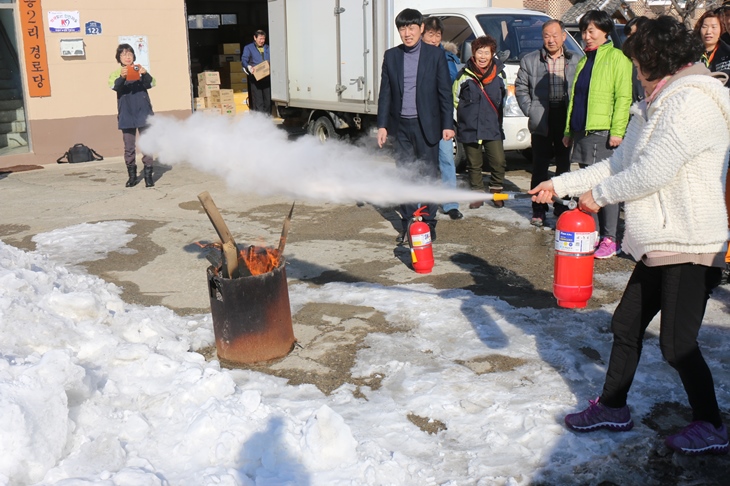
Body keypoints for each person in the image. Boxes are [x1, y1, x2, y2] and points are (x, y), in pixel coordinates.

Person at [531, 16, 730, 456]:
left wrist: (597, 198)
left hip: (690, 242)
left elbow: (653, 171)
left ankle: (712, 425)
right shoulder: (655, 103)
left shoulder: (693, 101)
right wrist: (560, 185)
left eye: (639, 63)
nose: (636, 71)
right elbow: (619, 166)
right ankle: (613, 407)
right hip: (660, 241)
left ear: (658, 61)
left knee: (677, 346)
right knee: (626, 325)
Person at [376, 8, 455, 243]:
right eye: (402, 28)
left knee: (429, 175)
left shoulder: (435, 55)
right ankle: (409, 223)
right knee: (405, 175)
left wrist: (447, 124)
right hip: (401, 126)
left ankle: (428, 223)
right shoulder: (392, 56)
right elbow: (385, 93)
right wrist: (382, 125)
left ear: (421, 28)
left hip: (427, 125)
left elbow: (444, 93)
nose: (407, 33)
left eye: (411, 27)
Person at [563, 10, 632, 259]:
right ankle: (593, 232)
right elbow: (575, 99)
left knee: (606, 186)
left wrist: (617, 131)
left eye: (591, 31)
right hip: (582, 131)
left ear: (605, 31)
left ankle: (610, 238)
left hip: (603, 132)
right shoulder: (584, 60)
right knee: (587, 185)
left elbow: (623, 98)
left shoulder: (617, 58)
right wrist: (569, 130)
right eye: (584, 31)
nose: (586, 36)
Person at [515, 19, 581, 226]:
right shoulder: (530, 60)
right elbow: (521, 88)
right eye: (546, 36)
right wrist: (531, 110)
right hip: (541, 116)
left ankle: (562, 206)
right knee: (539, 165)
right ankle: (539, 209)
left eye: (555, 35)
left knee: (564, 165)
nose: (551, 40)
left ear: (564, 36)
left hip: (565, 115)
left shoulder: (577, 59)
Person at [453, 35, 507, 209]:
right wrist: (467, 115)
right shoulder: (463, 75)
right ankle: (477, 194)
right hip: (470, 126)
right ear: (473, 53)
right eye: (479, 52)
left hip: (492, 125)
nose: (482, 56)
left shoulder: (500, 75)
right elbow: (455, 99)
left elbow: (503, 98)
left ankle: (497, 192)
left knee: (498, 161)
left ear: (492, 55)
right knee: (473, 164)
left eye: (486, 52)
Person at [423, 16, 462, 221]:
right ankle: (423, 203)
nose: (434, 39)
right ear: (422, 34)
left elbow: (450, 84)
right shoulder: (414, 56)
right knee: (423, 163)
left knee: (446, 159)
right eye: (430, 34)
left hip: (442, 119)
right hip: (420, 119)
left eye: (437, 35)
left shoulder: (447, 58)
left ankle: (450, 204)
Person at [108, 43, 156, 188]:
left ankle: (148, 176)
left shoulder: (139, 69)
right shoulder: (115, 74)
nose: (127, 57)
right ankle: (132, 177)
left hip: (143, 112)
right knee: (129, 147)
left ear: (133, 56)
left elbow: (151, 84)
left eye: (129, 54)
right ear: (119, 58)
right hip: (126, 114)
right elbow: (114, 87)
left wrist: (145, 73)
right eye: (123, 54)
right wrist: (122, 77)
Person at [694, 10, 730, 84]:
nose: (708, 32)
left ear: (722, 29)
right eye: (704, 27)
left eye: (714, 27)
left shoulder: (727, 52)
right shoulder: (690, 53)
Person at [242, 30, 272, 114]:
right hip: (255, 78)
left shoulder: (268, 47)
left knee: (268, 101)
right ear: (255, 38)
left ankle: (267, 119)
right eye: (260, 39)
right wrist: (248, 67)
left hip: (267, 78)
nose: (262, 41)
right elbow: (244, 60)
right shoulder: (248, 48)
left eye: (263, 39)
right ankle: (260, 119)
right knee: (259, 102)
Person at [624, 16, 650, 103]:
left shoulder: (654, 60)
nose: (629, 40)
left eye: (633, 35)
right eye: (628, 36)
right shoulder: (626, 58)